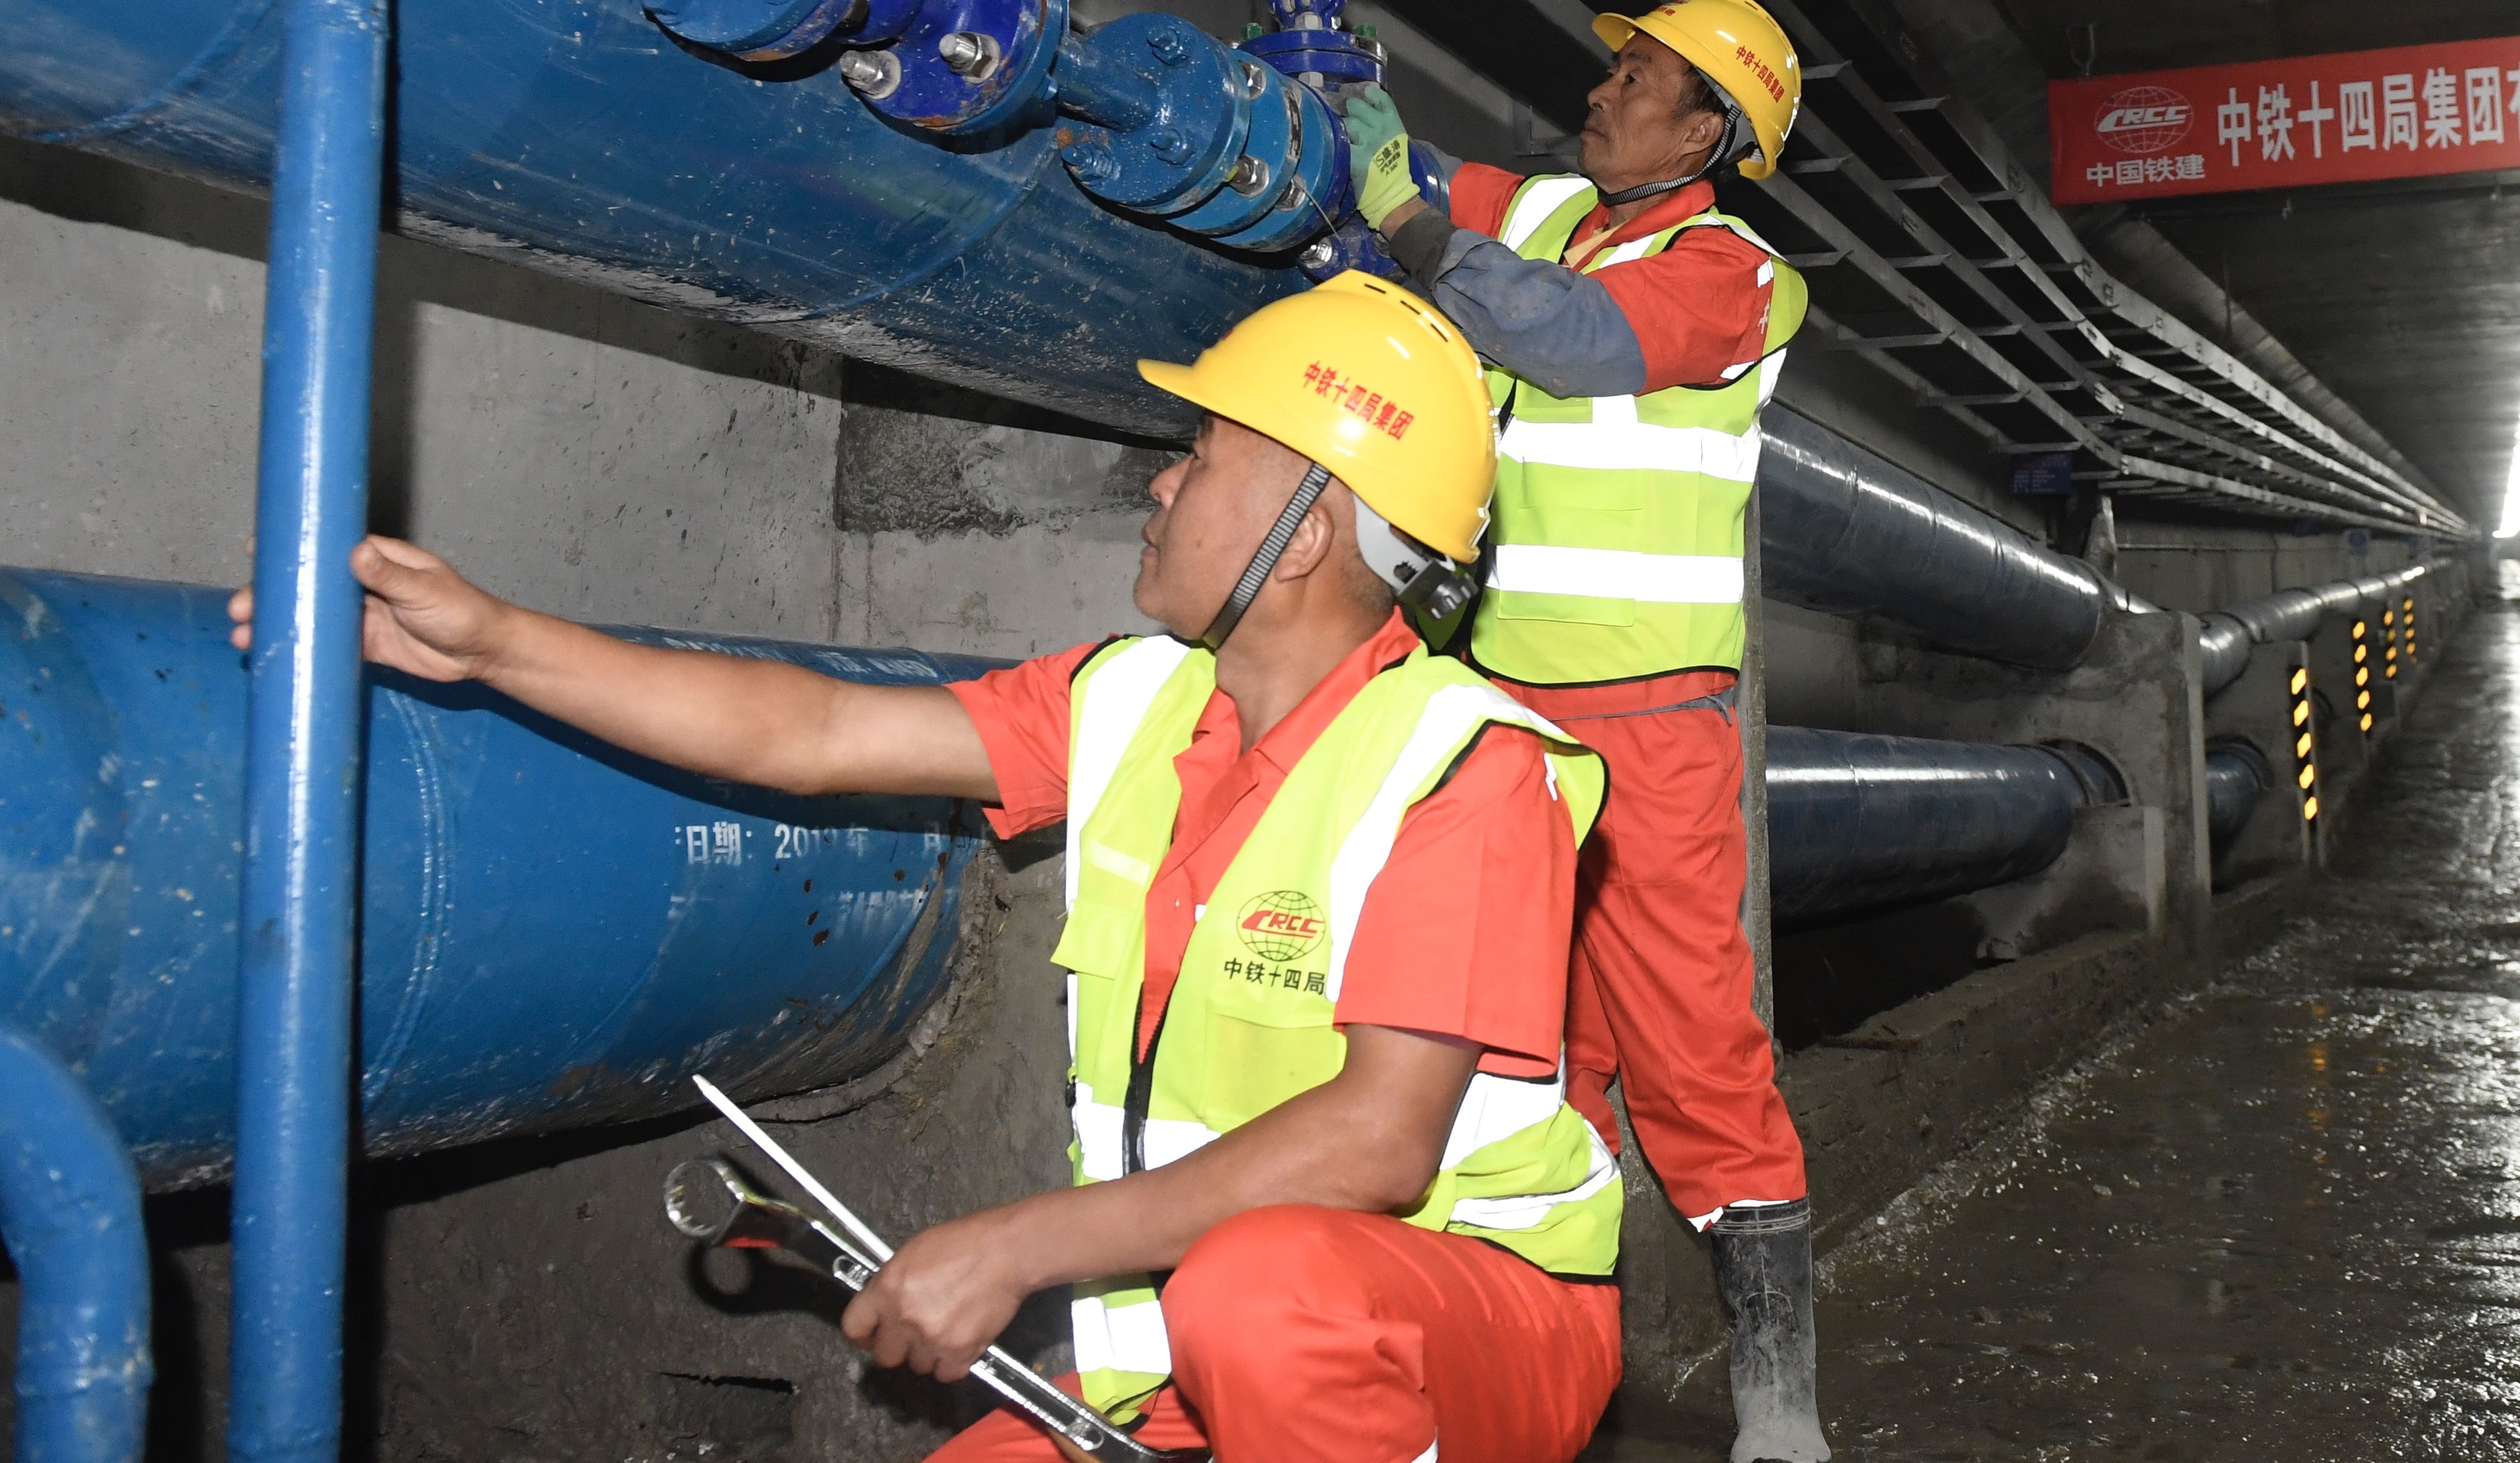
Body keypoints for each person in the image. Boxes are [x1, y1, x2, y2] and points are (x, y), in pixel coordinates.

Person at [230, 274, 1623, 1463]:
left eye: (1199, 452)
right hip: (1199, 1345)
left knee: (1270, 1296)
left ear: (1305, 531)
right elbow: (817, 730)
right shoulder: (1134, 703)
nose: (1160, 476)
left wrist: (1014, 1246)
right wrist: (491, 644)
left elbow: (1378, 1144)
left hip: (1457, 1329)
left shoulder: (1467, 769)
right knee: (1241, 1309)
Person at [1342, 0, 1826, 1463]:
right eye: (1615, 65)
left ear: (1707, 133)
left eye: (1643, 78)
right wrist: (1342, 107)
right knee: (1542, 1054)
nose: (1606, 89)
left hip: (1652, 729)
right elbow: (1434, 186)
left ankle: (1781, 1412)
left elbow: (1572, 342)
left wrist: (1416, 232)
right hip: (1504, 717)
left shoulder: (1735, 274)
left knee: (1697, 1056)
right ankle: (1559, 1366)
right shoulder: (1552, 207)